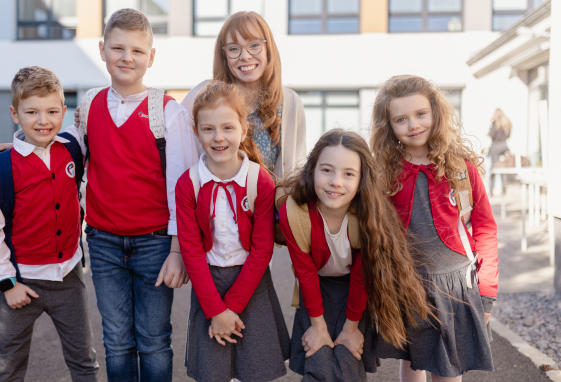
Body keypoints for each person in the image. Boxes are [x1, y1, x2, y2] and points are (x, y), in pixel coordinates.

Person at [0, 9, 199, 381]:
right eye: (117, 48)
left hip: (154, 245)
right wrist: (18, 145)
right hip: (103, 244)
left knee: (153, 339)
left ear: (151, 57)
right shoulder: (90, 104)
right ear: (102, 50)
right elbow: (64, 143)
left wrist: (178, 251)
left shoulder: (168, 113)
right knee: (116, 340)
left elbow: (181, 187)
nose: (126, 57)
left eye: (136, 50)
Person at [370, 75, 499, 382]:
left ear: (435, 113)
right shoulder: (384, 173)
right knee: (414, 360)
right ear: (388, 126)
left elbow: (485, 227)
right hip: (407, 282)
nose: (413, 124)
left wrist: (488, 291)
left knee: (448, 365)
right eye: (401, 119)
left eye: (420, 114)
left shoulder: (460, 167)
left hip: (456, 283)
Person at [278, 129, 433, 382]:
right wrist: (318, 327)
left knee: (348, 361)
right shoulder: (294, 213)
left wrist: (351, 328)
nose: (335, 182)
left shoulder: (368, 215)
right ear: (312, 170)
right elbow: (304, 272)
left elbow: (362, 275)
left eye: (348, 174)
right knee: (316, 358)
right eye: (326, 170)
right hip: (316, 286)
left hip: (355, 289)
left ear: (362, 179)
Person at [0, 66, 99, 381]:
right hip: (21, 282)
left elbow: (101, 119)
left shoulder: (74, 147)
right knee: (8, 365)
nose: (43, 120)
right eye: (31, 112)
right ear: (15, 114)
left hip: (68, 277)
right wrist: (7, 283)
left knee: (84, 361)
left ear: (64, 112)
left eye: (52, 111)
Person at [176, 81, 290, 382]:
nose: (218, 138)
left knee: (255, 370)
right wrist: (216, 310)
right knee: (213, 372)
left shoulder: (260, 181)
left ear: (243, 128)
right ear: (197, 132)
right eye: (208, 129)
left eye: (227, 127)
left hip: (252, 284)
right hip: (208, 287)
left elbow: (262, 249)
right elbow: (191, 251)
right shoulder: (189, 184)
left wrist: (233, 308)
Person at [181, 11, 306, 178]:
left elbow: (296, 174)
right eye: (234, 49)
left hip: (271, 203)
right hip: (213, 202)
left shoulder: (290, 103)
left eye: (254, 45)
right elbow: (181, 159)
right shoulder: (201, 95)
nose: (245, 57)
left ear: (268, 49)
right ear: (224, 56)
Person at [487, 108, 512, 195]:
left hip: (496, 146)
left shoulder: (495, 122)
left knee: (494, 167)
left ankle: (491, 189)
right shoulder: (507, 123)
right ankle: (504, 188)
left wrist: (490, 129)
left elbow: (492, 134)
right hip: (504, 146)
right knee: (503, 168)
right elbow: (508, 135)